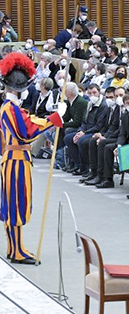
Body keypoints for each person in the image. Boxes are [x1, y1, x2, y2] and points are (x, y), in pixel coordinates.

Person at [0, 52, 65, 264]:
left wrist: (52, 117)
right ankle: (17, 250)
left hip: (14, 158)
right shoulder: (11, 109)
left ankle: (14, 247)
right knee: (16, 205)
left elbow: (29, 120)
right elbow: (27, 130)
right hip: (16, 160)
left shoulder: (10, 108)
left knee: (13, 204)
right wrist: (55, 118)